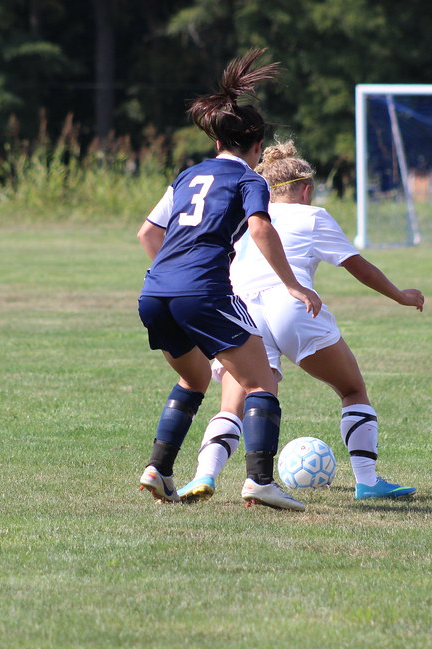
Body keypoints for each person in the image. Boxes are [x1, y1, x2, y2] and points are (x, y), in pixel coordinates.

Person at [174, 141, 423, 503]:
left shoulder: (245, 218)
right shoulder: (312, 216)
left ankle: (203, 476)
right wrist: (401, 295)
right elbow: (359, 267)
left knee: (234, 405)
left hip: (240, 312)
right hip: (291, 306)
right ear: (305, 189)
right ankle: (367, 481)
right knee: (352, 389)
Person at [136, 49, 321, 511]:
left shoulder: (188, 175)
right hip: (201, 291)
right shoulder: (250, 180)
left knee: (195, 380)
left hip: (154, 292)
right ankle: (260, 481)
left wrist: (172, 275)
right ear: (256, 146)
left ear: (218, 140)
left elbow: (147, 232)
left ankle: (158, 469)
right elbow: (260, 228)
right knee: (261, 384)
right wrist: (295, 286)